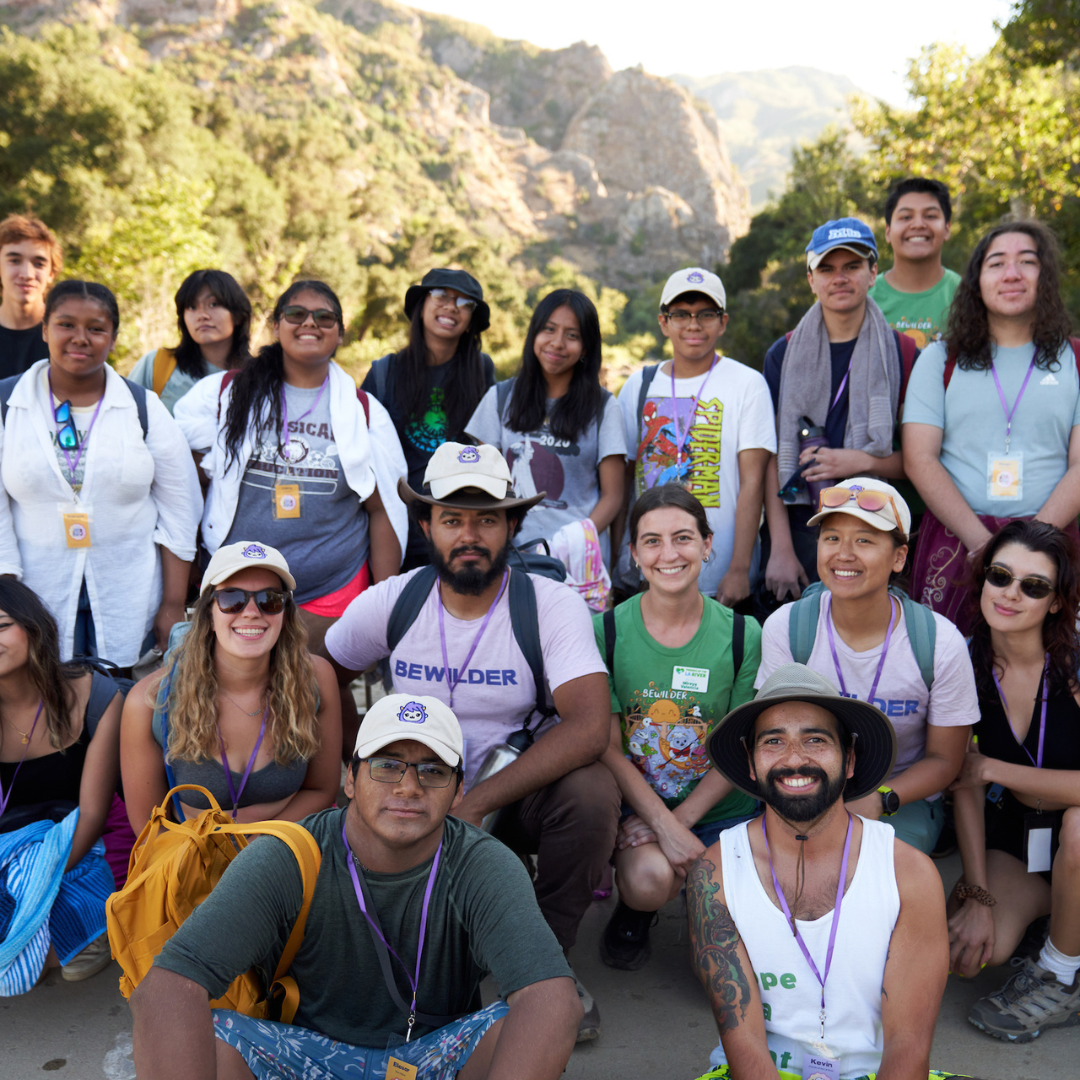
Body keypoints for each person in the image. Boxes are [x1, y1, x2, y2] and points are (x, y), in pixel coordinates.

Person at [322, 441, 617, 1042]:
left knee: (592, 795)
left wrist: (476, 802)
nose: (470, 535)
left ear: (512, 524)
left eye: (487, 519)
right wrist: (358, 761)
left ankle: (543, 960)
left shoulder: (550, 605)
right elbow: (319, 676)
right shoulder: (396, 600)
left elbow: (590, 726)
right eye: (452, 519)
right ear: (427, 524)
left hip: (507, 799)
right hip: (409, 794)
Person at [129, 692, 581, 1080]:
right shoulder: (289, 855)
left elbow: (552, 1000)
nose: (408, 787)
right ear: (350, 778)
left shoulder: (481, 863)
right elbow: (168, 985)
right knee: (209, 1034)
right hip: (306, 1056)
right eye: (387, 766)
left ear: (458, 790)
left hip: (430, 1056)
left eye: (433, 771)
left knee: (517, 1019)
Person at [688, 663, 948, 1080]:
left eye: (816, 739)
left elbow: (909, 1045)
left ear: (849, 760)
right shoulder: (714, 872)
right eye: (773, 741)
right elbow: (744, 1043)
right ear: (751, 764)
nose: (795, 759)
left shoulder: (908, 873)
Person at [174, 279, 408, 655]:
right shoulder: (224, 394)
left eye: (324, 317)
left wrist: (384, 603)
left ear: (341, 334)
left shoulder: (364, 412)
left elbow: (384, 510)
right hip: (237, 593)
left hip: (332, 594)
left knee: (321, 693)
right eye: (296, 314)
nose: (309, 323)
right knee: (242, 698)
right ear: (276, 326)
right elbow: (179, 474)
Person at [755, 478, 974, 854]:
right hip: (802, 785)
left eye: (865, 540)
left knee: (878, 875)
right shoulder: (787, 627)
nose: (844, 554)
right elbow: (773, 736)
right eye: (832, 538)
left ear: (899, 557)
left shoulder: (939, 641)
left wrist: (881, 798)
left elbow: (945, 759)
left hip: (900, 796)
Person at [596, 484, 761, 971]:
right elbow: (606, 746)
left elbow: (741, 747)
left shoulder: (742, 634)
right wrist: (660, 824)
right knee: (649, 880)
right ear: (633, 554)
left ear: (708, 545)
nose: (669, 554)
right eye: (652, 541)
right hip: (639, 812)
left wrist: (680, 823)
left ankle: (699, 905)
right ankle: (636, 909)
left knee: (720, 970)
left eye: (683, 538)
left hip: (721, 809)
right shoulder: (603, 631)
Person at [0, 281, 201, 667]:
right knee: (45, 710)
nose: (81, 338)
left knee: (122, 708)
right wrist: (8, 599)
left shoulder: (144, 408)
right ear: (44, 330)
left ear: (113, 337)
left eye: (95, 328)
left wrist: (173, 604)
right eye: (66, 325)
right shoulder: (7, 406)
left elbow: (181, 509)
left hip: (130, 595)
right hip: (35, 593)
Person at [904, 220, 1080, 631]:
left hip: (1053, 544)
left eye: (1027, 262)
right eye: (997, 263)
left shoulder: (1076, 359)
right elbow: (918, 457)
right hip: (957, 546)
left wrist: (1029, 546)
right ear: (977, 281)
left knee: (1054, 673)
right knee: (950, 672)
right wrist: (984, 545)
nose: (1012, 274)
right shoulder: (939, 360)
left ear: (1046, 276)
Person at [948, 520, 1080, 1042]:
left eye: (1034, 585)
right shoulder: (962, 660)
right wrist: (977, 895)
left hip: (1073, 832)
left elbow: (980, 773)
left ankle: (1060, 976)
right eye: (1001, 576)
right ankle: (1055, 927)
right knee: (975, 953)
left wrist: (996, 769)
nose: (1011, 593)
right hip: (1023, 835)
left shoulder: (1074, 661)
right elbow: (963, 786)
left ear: (1055, 601)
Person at [120, 541, 341, 829]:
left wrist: (256, 854)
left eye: (270, 599)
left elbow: (321, 790)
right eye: (232, 598)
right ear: (208, 614)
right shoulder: (149, 701)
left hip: (286, 851)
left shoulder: (316, 678)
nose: (251, 612)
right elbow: (149, 828)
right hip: (191, 863)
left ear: (284, 614)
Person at [761, 218, 918, 607]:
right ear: (811, 279)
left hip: (874, 526)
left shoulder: (903, 353)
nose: (840, 278)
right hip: (801, 526)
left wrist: (857, 460)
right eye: (827, 269)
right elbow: (767, 458)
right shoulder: (782, 354)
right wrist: (779, 546)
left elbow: (919, 461)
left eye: (852, 267)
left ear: (873, 273)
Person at [617, 267, 775, 606]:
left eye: (706, 314)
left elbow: (754, 483)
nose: (693, 324)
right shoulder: (637, 387)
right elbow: (623, 480)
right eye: (680, 314)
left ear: (723, 321)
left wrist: (739, 568)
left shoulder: (747, 384)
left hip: (721, 584)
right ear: (663, 322)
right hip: (650, 576)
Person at [0, 579, 124, 991]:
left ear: (33, 628)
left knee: (60, 954)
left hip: (75, 850)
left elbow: (92, 813)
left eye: (1, 626)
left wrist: (37, 882)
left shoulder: (94, 696)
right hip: (5, 853)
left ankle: (88, 929)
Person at [466, 289, 626, 571]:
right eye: (549, 330)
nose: (557, 343)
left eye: (572, 335)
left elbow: (613, 495)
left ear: (586, 347)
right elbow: (479, 482)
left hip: (577, 562)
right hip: (510, 558)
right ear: (534, 335)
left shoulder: (603, 406)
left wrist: (576, 541)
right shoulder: (500, 397)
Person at [363, 268, 496, 570]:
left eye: (464, 303)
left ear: (471, 322)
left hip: (459, 525)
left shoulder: (483, 371)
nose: (451, 306)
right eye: (440, 296)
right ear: (421, 305)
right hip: (394, 523)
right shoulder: (385, 373)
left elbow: (491, 446)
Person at [127, 269, 252, 414]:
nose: (202, 315)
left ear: (237, 315)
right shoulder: (156, 365)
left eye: (213, 304)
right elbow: (122, 420)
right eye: (192, 307)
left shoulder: (259, 377)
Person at [869, 179, 961, 348]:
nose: (918, 224)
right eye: (905, 217)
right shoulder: (866, 298)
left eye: (930, 216)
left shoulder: (966, 296)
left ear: (947, 229)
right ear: (888, 233)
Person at [0, 214, 61, 379]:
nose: (27, 274)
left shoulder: (65, 336)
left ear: (51, 273)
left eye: (38, 263)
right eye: (14, 261)